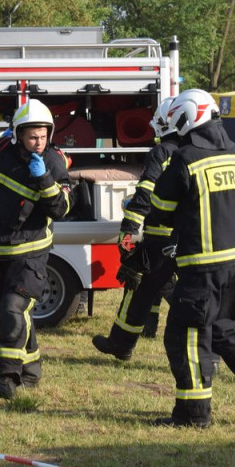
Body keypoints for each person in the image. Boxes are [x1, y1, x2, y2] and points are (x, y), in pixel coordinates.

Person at [148, 89, 235, 428]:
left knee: (186, 334)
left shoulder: (186, 158)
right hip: (234, 263)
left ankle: (193, 415)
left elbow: (161, 209)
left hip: (200, 264)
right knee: (221, 327)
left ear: (187, 118)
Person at [0, 99, 71, 400]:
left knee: (13, 308)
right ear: (18, 134)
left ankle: (8, 376)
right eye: (32, 136)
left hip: (30, 251)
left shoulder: (54, 162)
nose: (38, 142)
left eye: (43, 136)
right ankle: (32, 371)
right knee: (15, 313)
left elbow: (61, 208)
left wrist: (43, 179)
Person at [92, 97, 180, 360]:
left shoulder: (162, 153)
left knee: (160, 287)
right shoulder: (195, 151)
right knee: (142, 285)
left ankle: (211, 344)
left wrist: (129, 226)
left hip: (160, 234)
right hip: (187, 234)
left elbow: (146, 192)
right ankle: (125, 340)